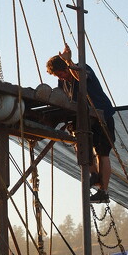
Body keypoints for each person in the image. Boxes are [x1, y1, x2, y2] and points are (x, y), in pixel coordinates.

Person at [46, 43, 115, 204]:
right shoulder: (62, 82)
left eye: (61, 73)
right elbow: (63, 99)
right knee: (80, 145)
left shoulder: (81, 69)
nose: (61, 78)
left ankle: (103, 190)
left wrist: (70, 63)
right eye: (57, 76)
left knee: (102, 152)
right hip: (80, 117)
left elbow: (81, 79)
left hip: (101, 115)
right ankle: (93, 175)